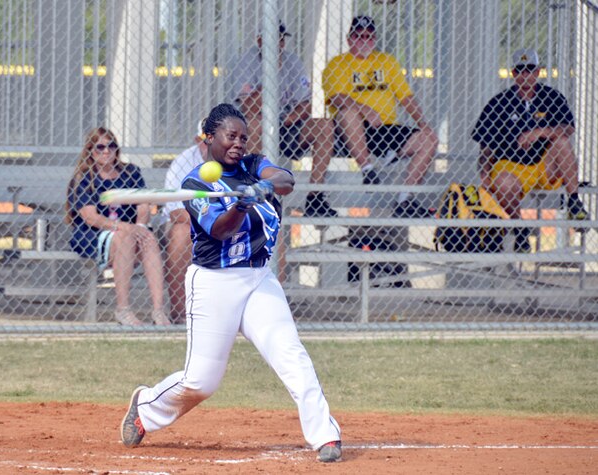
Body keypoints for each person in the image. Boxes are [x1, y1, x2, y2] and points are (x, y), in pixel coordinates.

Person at [119, 104, 342, 463]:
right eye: (230, 136)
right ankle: (147, 407)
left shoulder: (253, 165)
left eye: (243, 136)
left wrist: (260, 186)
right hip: (214, 283)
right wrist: (240, 205)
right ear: (210, 139)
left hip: (258, 279)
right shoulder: (195, 183)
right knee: (201, 382)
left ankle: (326, 437)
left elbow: (286, 180)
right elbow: (220, 230)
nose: (238, 143)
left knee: (291, 355)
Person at [472, 48, 590, 253]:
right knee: (502, 182)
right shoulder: (499, 103)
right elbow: (486, 146)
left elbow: (568, 128)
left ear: (538, 72)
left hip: (543, 165)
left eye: (530, 70)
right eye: (520, 70)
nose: (525, 75)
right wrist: (484, 172)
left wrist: (539, 132)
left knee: (561, 142)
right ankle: (520, 229)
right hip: (511, 166)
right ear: (513, 74)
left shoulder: (551, 96)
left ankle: (573, 202)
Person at [322, 15, 438, 218]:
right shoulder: (338, 64)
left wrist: (423, 124)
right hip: (352, 130)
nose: (363, 41)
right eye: (358, 36)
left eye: (368, 37)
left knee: (430, 138)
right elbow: (337, 98)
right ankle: (368, 169)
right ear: (349, 39)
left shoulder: (386, 61)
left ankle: (404, 200)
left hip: (385, 128)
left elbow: (406, 98)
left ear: (375, 39)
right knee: (348, 112)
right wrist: (363, 109)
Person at [226, 20, 338, 217]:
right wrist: (270, 77)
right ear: (259, 40)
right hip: (256, 128)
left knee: (324, 125)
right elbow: (248, 106)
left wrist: (287, 119)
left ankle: (315, 196)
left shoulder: (292, 61)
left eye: (280, 39)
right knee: (254, 122)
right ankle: (252, 186)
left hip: (287, 123)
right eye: (271, 39)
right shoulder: (247, 62)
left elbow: (307, 104)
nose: (278, 44)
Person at [65, 127, 170, 326]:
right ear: (90, 151)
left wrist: (140, 225)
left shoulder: (130, 172)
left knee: (148, 237)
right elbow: (90, 217)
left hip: (129, 231)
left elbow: (143, 204)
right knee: (125, 236)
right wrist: (125, 227)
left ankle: (158, 310)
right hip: (93, 234)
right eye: (100, 147)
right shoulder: (84, 179)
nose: (106, 151)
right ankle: (123, 309)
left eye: (111, 146)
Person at [162, 119, 209, 324]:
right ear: (198, 140)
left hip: (227, 224)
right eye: (207, 141)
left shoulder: (237, 160)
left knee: (271, 228)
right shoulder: (184, 161)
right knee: (181, 232)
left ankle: (267, 311)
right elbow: (177, 213)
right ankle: (181, 313)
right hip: (191, 223)